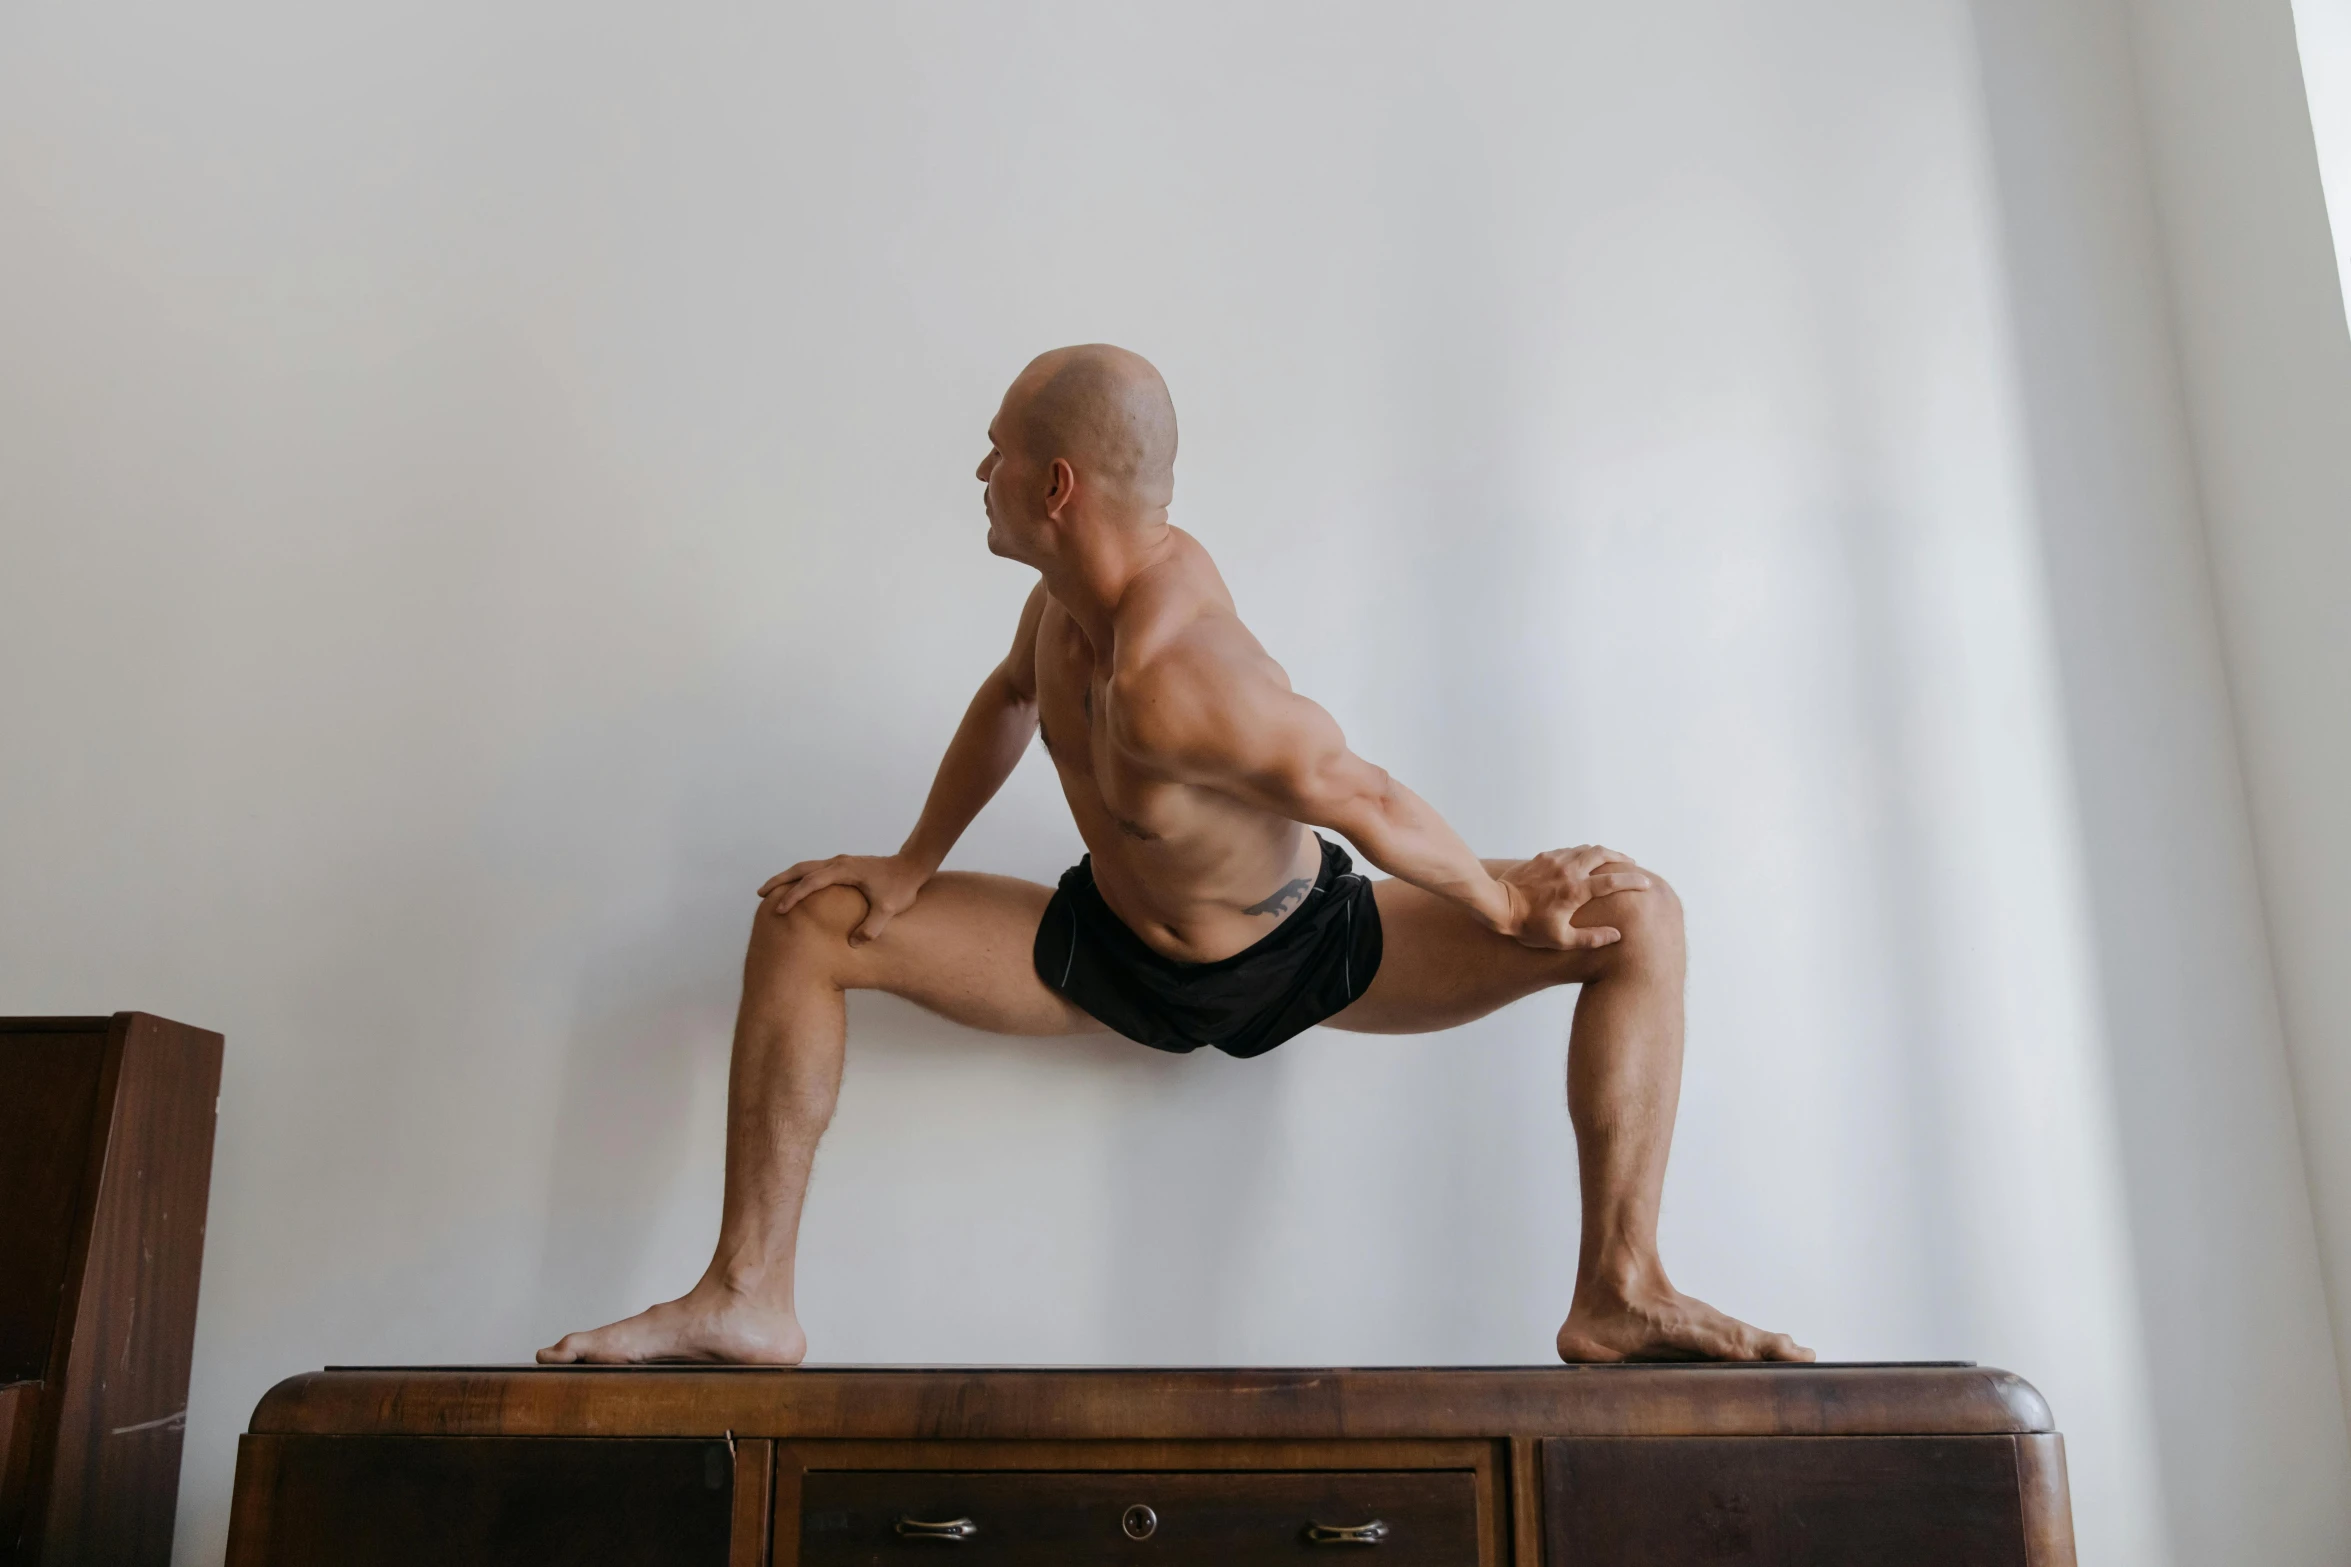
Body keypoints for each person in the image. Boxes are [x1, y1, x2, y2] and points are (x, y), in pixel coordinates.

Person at [540, 345, 1810, 1367]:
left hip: (1304, 954)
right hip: (1113, 948)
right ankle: (745, 1297)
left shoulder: (1178, 673)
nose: (976, 465)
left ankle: (1620, 1290)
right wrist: (911, 862)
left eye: (998, 448)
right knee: (806, 922)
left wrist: (1495, 895)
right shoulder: (1059, 606)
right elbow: (1005, 702)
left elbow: (1349, 787)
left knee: (1643, 919)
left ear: (1056, 487)